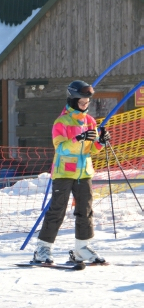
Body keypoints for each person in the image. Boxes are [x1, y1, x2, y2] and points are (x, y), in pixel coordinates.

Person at [33, 80, 111, 265]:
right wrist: (79, 138)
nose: (85, 105)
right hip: (64, 173)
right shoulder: (61, 122)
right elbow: (60, 148)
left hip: (84, 173)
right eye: (82, 102)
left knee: (85, 210)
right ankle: (43, 249)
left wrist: (101, 142)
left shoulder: (90, 121)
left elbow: (91, 150)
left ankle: (82, 248)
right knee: (57, 210)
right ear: (73, 100)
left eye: (87, 102)